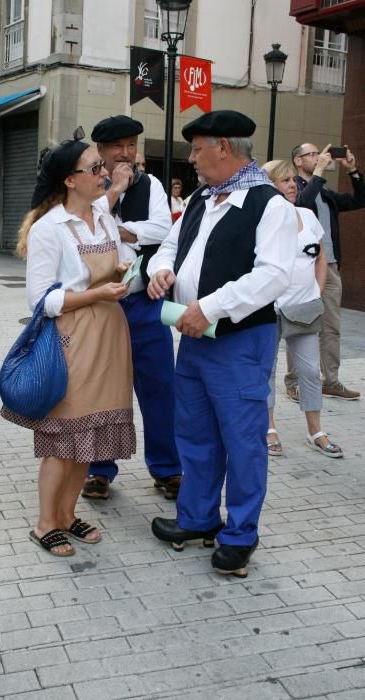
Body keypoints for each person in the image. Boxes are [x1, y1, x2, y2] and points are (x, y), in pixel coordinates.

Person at [148, 110, 297, 577]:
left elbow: (273, 276)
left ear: (224, 149)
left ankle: (240, 534)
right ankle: (198, 519)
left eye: (196, 149)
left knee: (242, 440)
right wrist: (160, 273)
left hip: (238, 340)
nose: (190, 158)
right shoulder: (201, 198)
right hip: (193, 337)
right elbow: (171, 246)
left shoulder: (269, 204)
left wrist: (209, 307)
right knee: (194, 433)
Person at [1, 132, 136, 557]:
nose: (105, 173)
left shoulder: (103, 215)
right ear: (69, 180)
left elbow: (109, 268)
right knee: (64, 438)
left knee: (91, 436)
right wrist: (98, 293)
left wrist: (122, 269)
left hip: (111, 334)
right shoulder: (49, 228)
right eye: (95, 168)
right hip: (72, 338)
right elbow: (43, 299)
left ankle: (66, 514)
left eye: (103, 166)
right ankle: (45, 523)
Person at [82, 115, 181, 501]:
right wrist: (115, 196)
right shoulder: (85, 183)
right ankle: (99, 469)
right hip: (100, 304)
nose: (126, 153)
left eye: (132, 145)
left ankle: (168, 468)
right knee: (103, 390)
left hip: (143, 302)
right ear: (101, 150)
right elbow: (80, 227)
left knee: (160, 387)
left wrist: (119, 229)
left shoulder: (151, 183)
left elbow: (163, 229)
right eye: (118, 146)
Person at [263, 160, 343, 459]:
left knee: (309, 370)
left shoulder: (308, 216)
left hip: (304, 307)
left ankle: (315, 431)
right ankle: (269, 428)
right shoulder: (263, 216)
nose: (293, 185)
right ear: (270, 185)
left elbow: (320, 257)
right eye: (284, 181)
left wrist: (317, 293)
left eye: (293, 181)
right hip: (268, 308)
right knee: (266, 371)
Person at [285, 142, 365, 402]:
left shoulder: (325, 192)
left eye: (320, 153)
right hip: (303, 268)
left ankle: (331, 381)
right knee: (298, 323)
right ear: (298, 160)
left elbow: (359, 199)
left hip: (329, 267)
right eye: (312, 154)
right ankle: (294, 382)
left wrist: (353, 171)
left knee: (332, 327)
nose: (320, 157)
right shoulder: (291, 186)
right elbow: (302, 205)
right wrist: (319, 172)